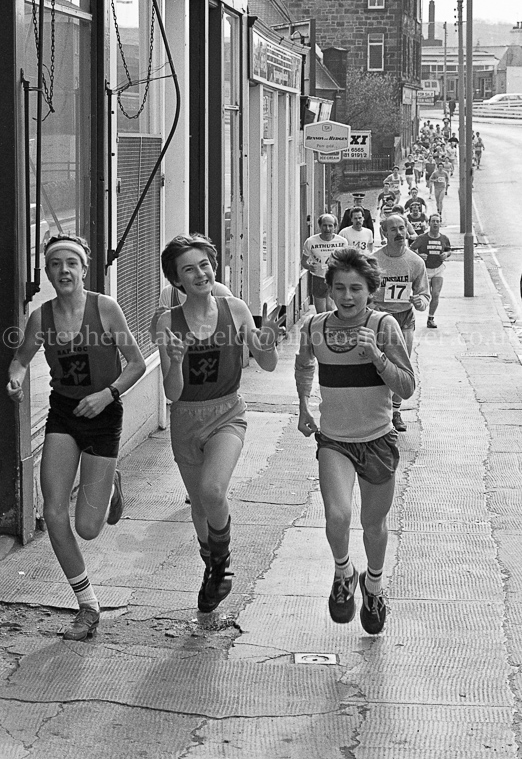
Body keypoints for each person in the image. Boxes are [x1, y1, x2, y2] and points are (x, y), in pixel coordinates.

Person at [6, 234, 146, 640]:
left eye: (71, 263)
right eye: (55, 264)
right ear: (47, 272)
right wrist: (15, 378)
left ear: (84, 269)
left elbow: (135, 363)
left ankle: (110, 483)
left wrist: (108, 394)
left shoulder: (105, 308)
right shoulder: (41, 317)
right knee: (53, 514)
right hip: (64, 414)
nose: (63, 270)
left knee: (88, 528)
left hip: (103, 414)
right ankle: (87, 605)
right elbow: (21, 358)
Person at [156, 234, 284, 614]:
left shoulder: (236, 308)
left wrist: (267, 340)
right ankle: (211, 568)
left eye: (205, 265)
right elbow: (173, 393)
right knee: (199, 504)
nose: (200, 273)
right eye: (189, 269)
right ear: (177, 280)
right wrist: (176, 361)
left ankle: (223, 561)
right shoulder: (167, 321)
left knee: (212, 490)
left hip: (228, 413)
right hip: (186, 419)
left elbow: (268, 364)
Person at [295, 247, 415, 633]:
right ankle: (344, 573)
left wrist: (376, 356)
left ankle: (374, 586)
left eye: (356, 289)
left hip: (378, 439)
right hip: (334, 440)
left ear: (370, 291)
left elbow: (408, 386)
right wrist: (303, 407)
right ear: (328, 289)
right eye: (340, 288)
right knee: (337, 515)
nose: (347, 297)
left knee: (373, 523)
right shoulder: (315, 326)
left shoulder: (384, 326)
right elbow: (304, 364)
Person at [373, 215, 430, 432]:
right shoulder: (374, 261)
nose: (399, 234)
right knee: (377, 363)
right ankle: (380, 410)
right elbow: (364, 291)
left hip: (404, 318)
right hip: (379, 319)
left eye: (402, 228)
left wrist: (420, 301)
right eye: (393, 230)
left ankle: (396, 412)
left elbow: (425, 296)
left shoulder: (415, 262)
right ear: (384, 233)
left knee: (400, 366)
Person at [411, 214, 451, 329]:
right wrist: (419, 255)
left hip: (438, 269)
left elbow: (449, 250)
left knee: (436, 294)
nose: (435, 223)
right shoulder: (422, 238)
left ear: (440, 223)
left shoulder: (444, 238)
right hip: (425, 270)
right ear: (429, 223)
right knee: (421, 296)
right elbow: (411, 250)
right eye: (433, 221)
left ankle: (431, 318)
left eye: (437, 221)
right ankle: (411, 316)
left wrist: (446, 254)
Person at [301, 214, 348, 313]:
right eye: (324, 225)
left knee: (331, 309)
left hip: (335, 278)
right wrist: (309, 267)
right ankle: (322, 327)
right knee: (321, 312)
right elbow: (303, 262)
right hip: (319, 278)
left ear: (335, 227)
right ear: (320, 226)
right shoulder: (310, 242)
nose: (327, 229)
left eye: (330, 226)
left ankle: (330, 328)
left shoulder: (342, 242)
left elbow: (346, 261)